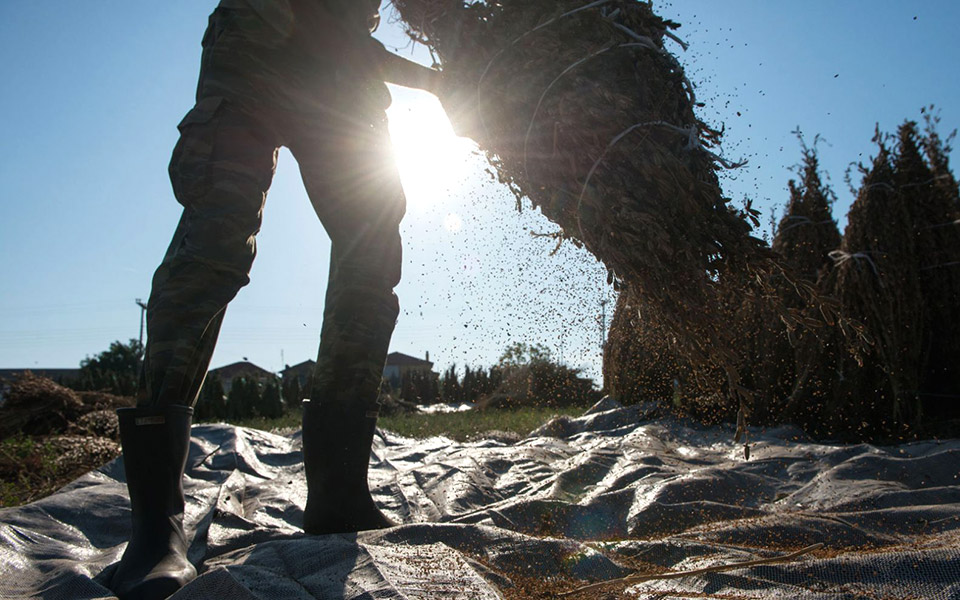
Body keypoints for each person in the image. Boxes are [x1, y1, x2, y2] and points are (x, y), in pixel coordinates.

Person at [109, 1, 451, 598]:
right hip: (255, 43)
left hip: (341, 65)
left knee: (371, 246)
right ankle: (155, 528)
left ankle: (339, 494)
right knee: (215, 241)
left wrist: (445, 82)